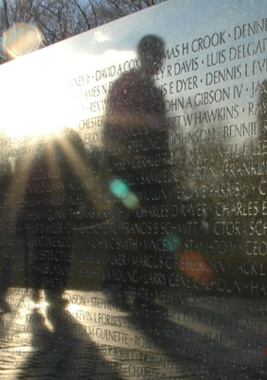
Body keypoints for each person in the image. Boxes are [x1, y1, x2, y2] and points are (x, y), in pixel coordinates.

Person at [101, 34, 171, 310]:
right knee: (129, 229)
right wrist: (113, 172)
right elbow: (111, 129)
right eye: (156, 55)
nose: (159, 61)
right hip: (128, 175)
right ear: (145, 55)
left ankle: (142, 291)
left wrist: (164, 173)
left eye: (161, 56)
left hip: (148, 177)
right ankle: (123, 285)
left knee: (148, 231)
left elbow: (162, 137)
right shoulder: (126, 86)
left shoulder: (155, 93)